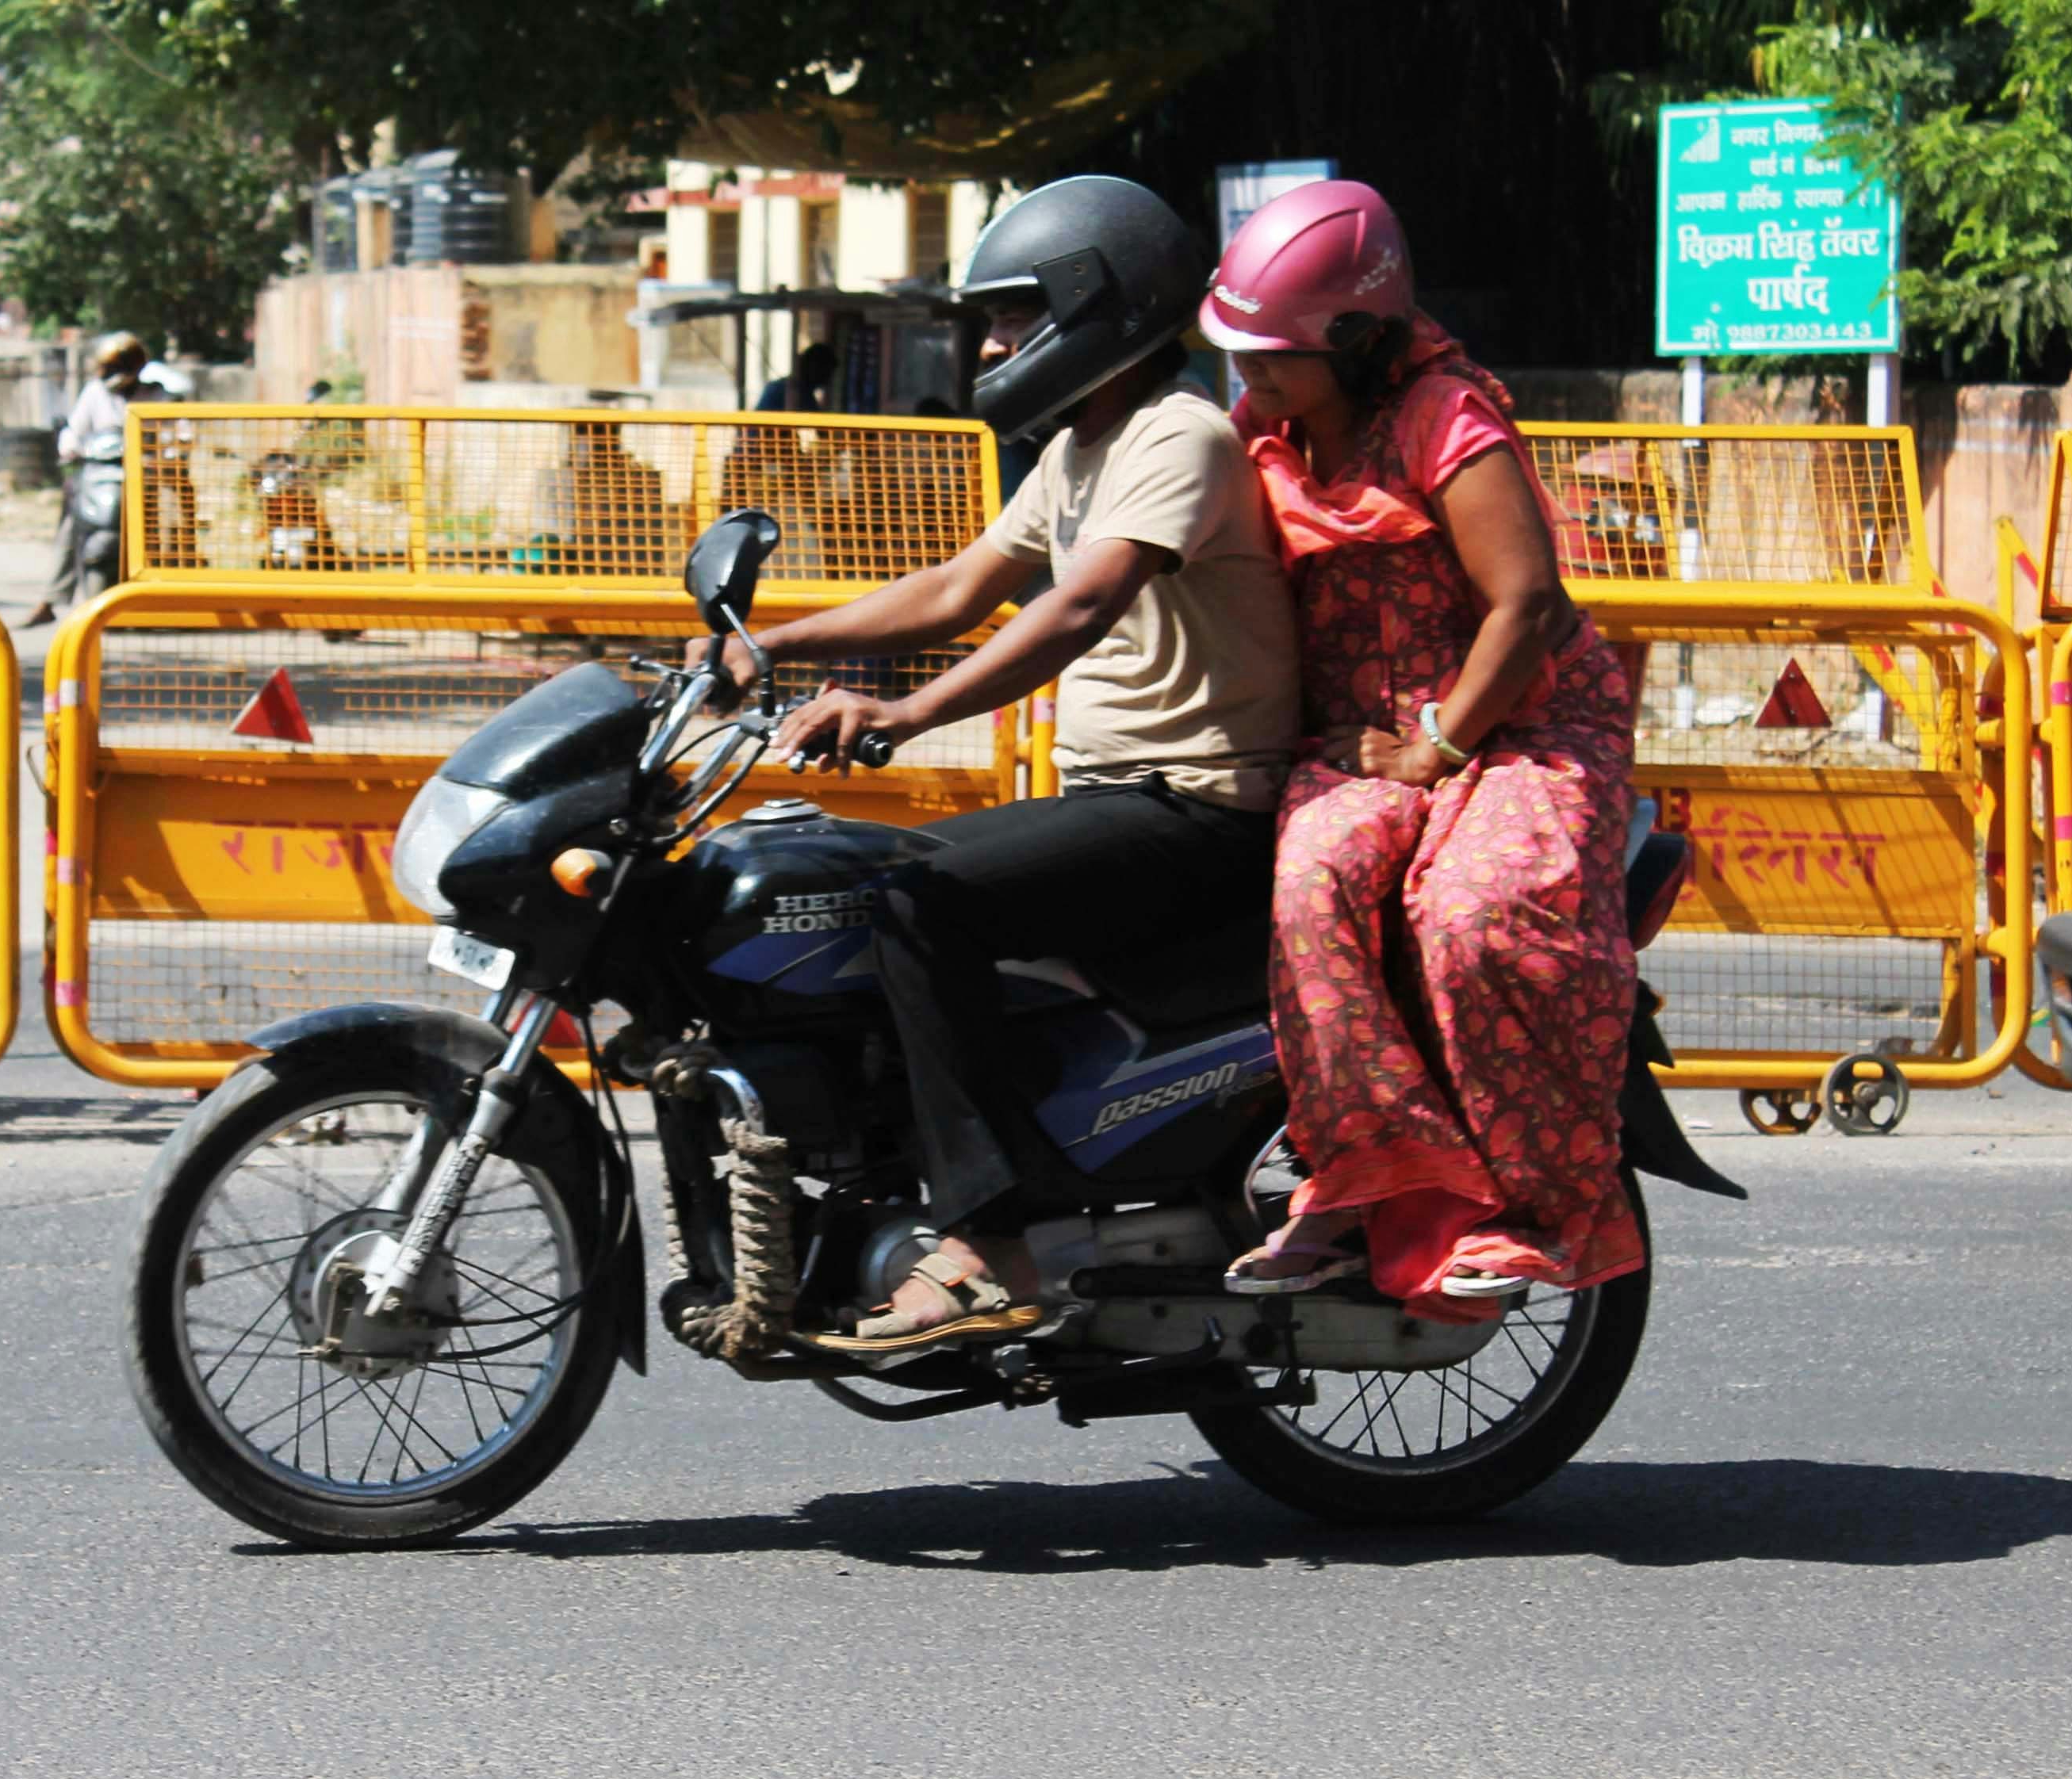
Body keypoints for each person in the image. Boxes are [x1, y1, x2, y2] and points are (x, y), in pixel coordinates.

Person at [698, 175, 1300, 1353]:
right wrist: (767, 644)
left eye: (1014, 317)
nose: (989, 345)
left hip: (1199, 809)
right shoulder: (1083, 447)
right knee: (838, 882)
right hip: (1123, 803)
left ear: (1101, 309)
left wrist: (907, 713)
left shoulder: (1178, 435)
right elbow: (956, 588)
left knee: (914, 901)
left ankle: (988, 1241)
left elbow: (1079, 607)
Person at [1200, 181, 1644, 1316]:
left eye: (1275, 355)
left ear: (1355, 341)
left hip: (1522, 723)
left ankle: (1534, 1208)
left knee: (1475, 912)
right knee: (1310, 887)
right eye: (1241, 352)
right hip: (1367, 735)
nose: (1249, 374)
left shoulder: (1443, 416)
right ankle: (1372, 1177)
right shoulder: (1265, 432)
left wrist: (1437, 745)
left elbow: (1525, 603)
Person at [26, 331, 147, 627]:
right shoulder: (95, 393)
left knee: (174, 519)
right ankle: (49, 600)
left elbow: (175, 430)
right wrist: (70, 448)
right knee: (72, 524)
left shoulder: (156, 395)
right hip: (99, 474)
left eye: (114, 367)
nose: (107, 374)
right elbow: (74, 430)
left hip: (144, 479)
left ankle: (177, 592)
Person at [753, 341, 837, 413]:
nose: (828, 379)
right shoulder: (778, 390)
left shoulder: (808, 397)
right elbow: (758, 423)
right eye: (826, 371)